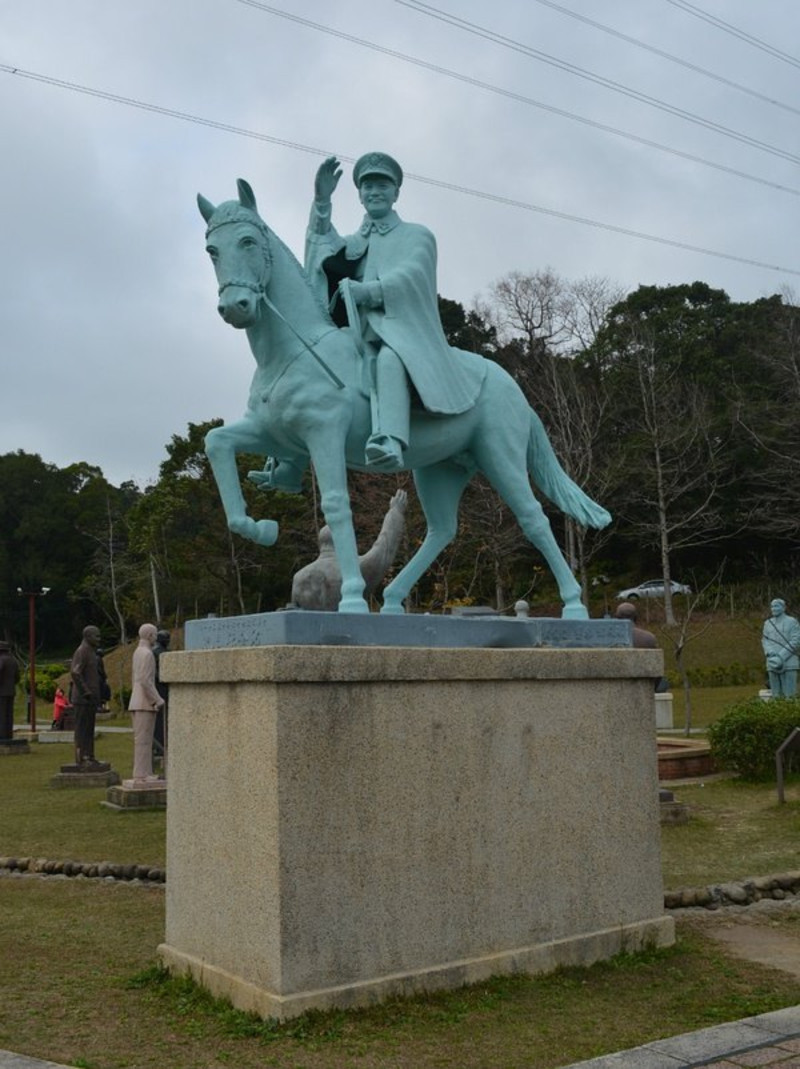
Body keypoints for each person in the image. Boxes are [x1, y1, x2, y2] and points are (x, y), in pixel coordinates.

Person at [304, 152, 485, 472]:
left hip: (403, 331)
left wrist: (369, 291)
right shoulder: (354, 242)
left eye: (382, 185)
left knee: (389, 357)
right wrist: (321, 201)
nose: (374, 191)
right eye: (368, 186)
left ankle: (389, 439)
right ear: (359, 194)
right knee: (315, 359)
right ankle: (288, 458)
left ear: (396, 193)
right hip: (358, 333)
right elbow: (321, 249)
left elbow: (413, 274)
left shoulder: (417, 235)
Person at [128, 623, 165, 783]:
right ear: (150, 635)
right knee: (144, 741)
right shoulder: (147, 654)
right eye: (155, 634)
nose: (156, 638)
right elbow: (145, 680)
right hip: (144, 702)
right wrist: (157, 699)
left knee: (143, 740)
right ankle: (142, 774)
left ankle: (144, 772)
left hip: (137, 701)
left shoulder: (137, 652)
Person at [615, 602, 669, 692]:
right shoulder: (649, 638)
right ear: (636, 617)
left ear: (617, 618)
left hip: (617, 686)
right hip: (644, 687)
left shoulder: (610, 639)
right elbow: (657, 668)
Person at [69, 625, 103, 765]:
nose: (99, 639)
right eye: (96, 636)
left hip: (91, 699)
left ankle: (89, 755)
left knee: (89, 729)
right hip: (83, 699)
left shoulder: (91, 651)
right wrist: (86, 691)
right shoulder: (82, 651)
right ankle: (81, 757)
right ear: (88, 636)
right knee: (82, 729)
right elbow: (75, 672)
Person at [762, 598, 800, 697]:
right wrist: (770, 653)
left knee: (789, 696)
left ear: (783, 608)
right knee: (776, 696)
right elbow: (765, 640)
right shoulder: (768, 623)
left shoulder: (792, 622)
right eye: (772, 606)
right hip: (772, 662)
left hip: (789, 663)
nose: (773, 609)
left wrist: (781, 656)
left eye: (776, 606)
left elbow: (796, 641)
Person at [152, 629, 170, 765]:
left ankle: (161, 744)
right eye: (166, 638)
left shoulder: (161, 651)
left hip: (162, 688)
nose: (168, 640)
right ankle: (159, 746)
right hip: (160, 688)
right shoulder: (157, 652)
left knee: (163, 718)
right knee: (160, 719)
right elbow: (156, 672)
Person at [0, 641, 19, 743]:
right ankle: (8, 733)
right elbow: (17, 677)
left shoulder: (1, 660)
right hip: (11, 691)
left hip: (1, 691)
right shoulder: (13, 660)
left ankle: (2, 735)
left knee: (1, 713)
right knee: (9, 713)